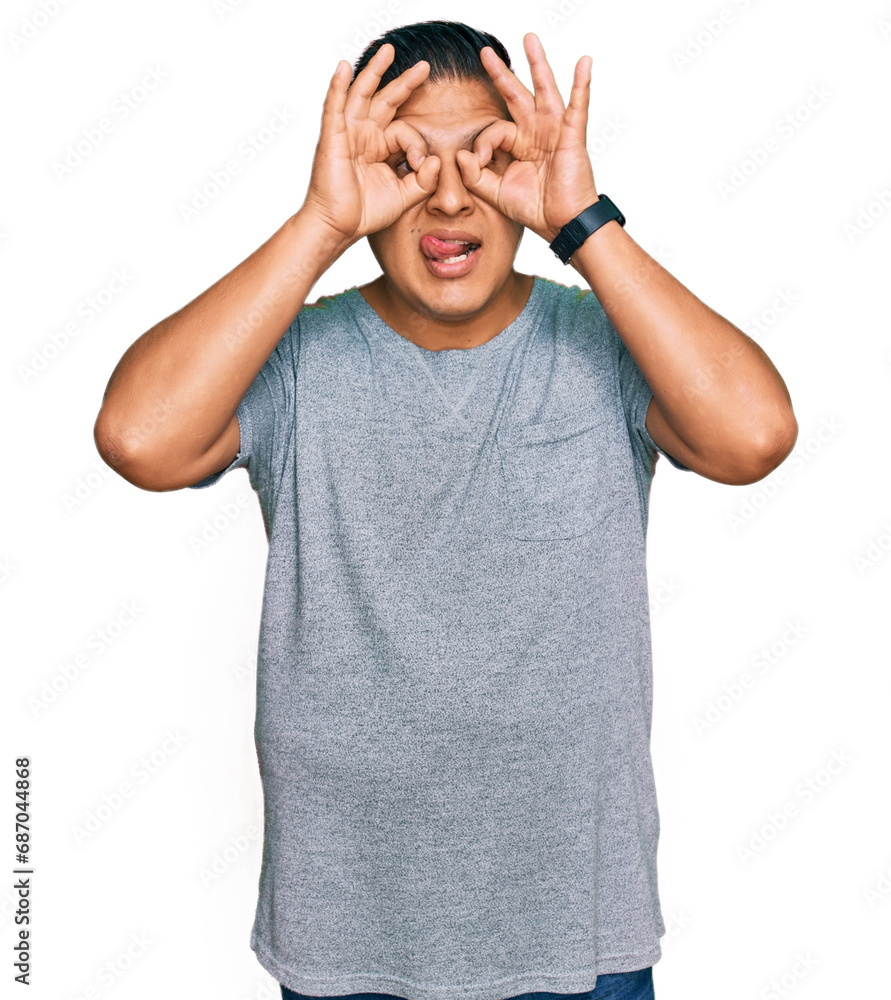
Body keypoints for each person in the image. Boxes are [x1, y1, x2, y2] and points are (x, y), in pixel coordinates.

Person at [93, 20, 797, 1000]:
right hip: (349, 940)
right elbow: (139, 437)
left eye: (489, 158)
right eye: (410, 161)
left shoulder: (605, 339)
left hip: (573, 935)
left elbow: (754, 434)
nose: (453, 196)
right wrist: (318, 226)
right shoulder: (299, 357)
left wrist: (583, 221)